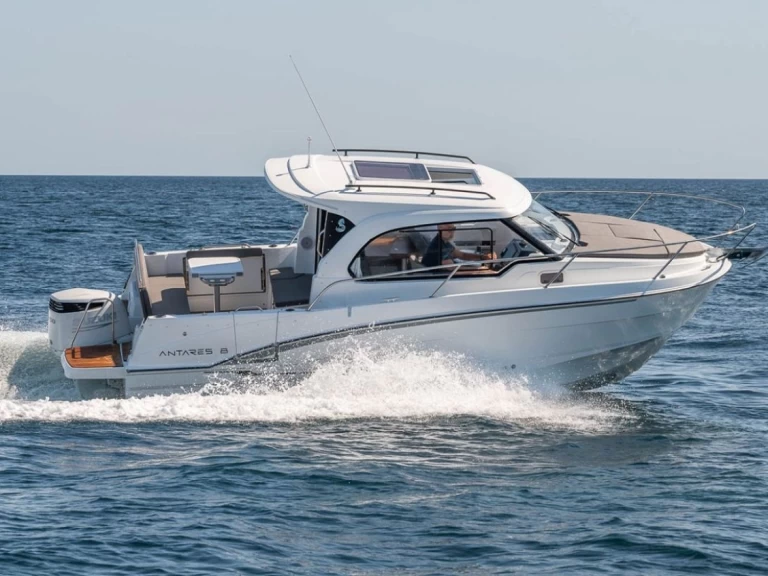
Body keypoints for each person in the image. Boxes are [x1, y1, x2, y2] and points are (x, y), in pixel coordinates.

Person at [422, 223, 496, 268]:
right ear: (439, 229)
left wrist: (482, 257)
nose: (452, 232)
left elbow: (462, 255)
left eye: (454, 228)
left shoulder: (444, 242)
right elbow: (455, 270)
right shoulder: (438, 247)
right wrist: (483, 269)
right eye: (449, 229)